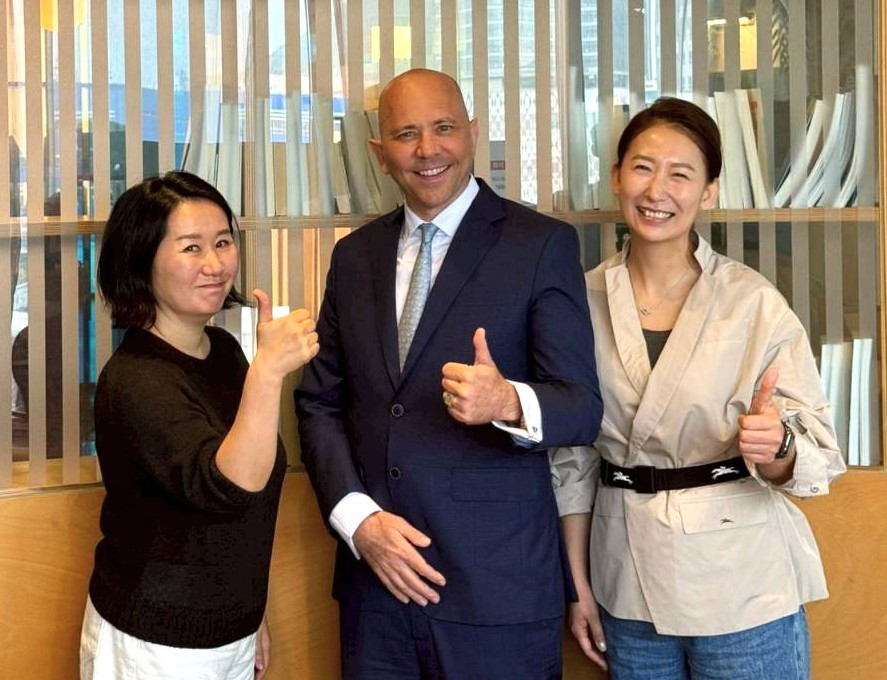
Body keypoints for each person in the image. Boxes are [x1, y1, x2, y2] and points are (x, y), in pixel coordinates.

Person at [295, 68, 603, 679]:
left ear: (473, 133)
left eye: (444, 128)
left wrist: (508, 401)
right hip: (375, 590)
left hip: (497, 592)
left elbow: (581, 406)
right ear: (380, 153)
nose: (428, 149)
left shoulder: (541, 244)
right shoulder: (354, 256)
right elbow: (320, 403)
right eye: (406, 134)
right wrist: (358, 522)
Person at [550, 97, 846, 679]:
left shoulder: (752, 301)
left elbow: (818, 450)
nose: (657, 190)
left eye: (680, 174)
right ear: (616, 177)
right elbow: (572, 461)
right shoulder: (576, 300)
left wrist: (777, 447)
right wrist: (577, 585)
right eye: (642, 167)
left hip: (741, 581)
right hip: (625, 581)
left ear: (708, 192)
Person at [80, 171, 319, 680]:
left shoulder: (224, 352)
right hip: (154, 644)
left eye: (223, 242)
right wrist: (269, 370)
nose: (215, 264)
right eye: (191, 247)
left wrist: (252, 613)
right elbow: (228, 486)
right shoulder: (136, 378)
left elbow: (242, 510)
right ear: (141, 260)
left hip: (228, 632)